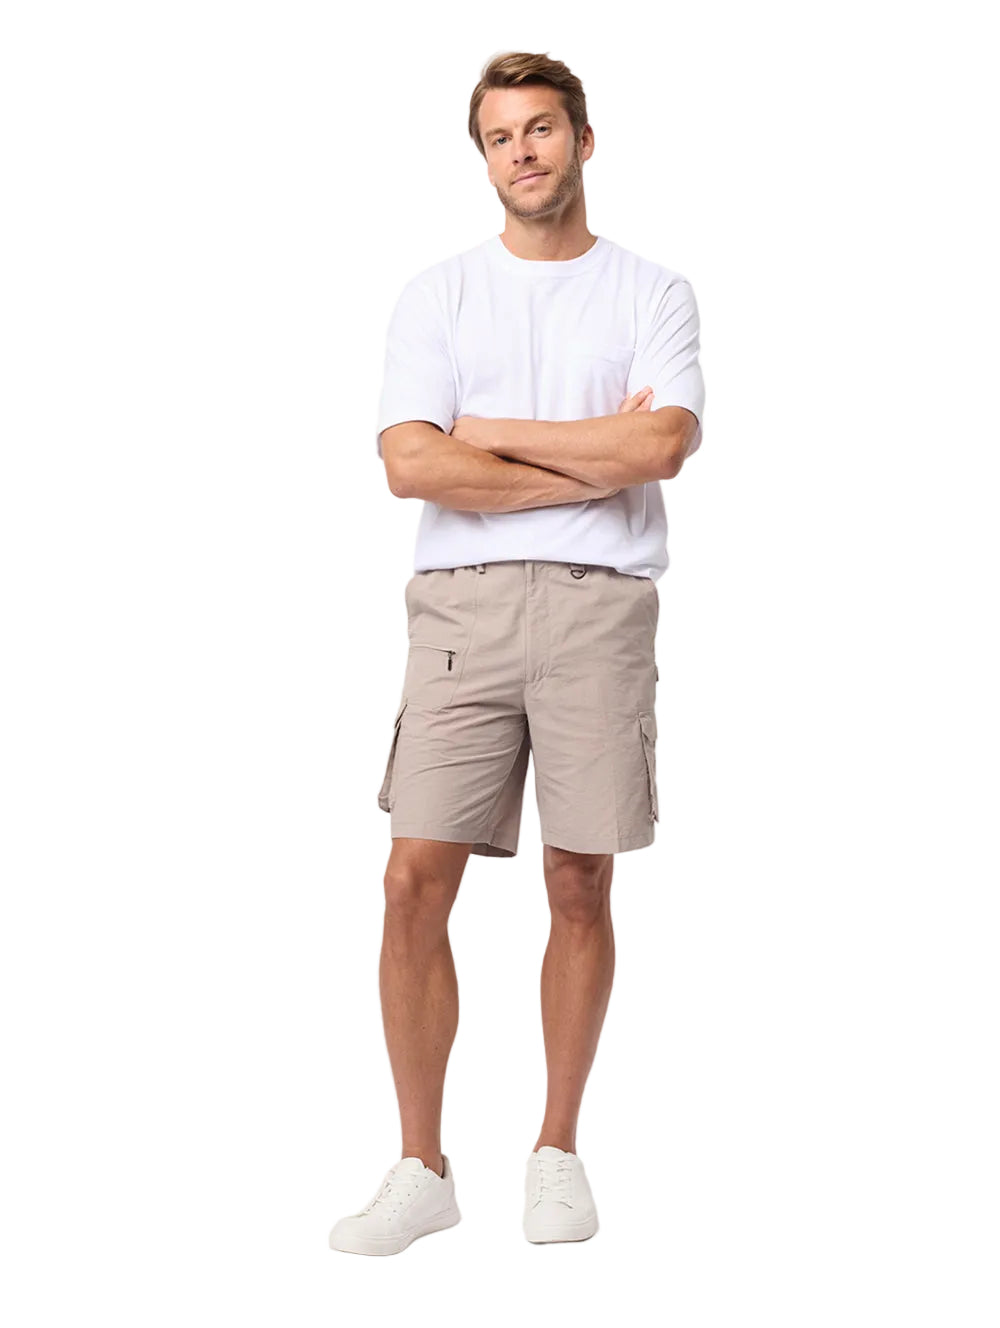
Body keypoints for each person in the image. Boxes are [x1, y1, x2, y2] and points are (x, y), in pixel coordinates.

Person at [329, 50, 705, 1257]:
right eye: (501, 136)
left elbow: (660, 448)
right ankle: (420, 1164)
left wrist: (487, 435)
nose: (524, 152)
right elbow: (407, 466)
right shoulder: (437, 295)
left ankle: (554, 1147)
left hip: (601, 608)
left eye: (543, 129)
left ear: (583, 142)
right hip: (463, 610)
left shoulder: (652, 291)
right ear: (483, 157)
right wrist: (581, 460)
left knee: (580, 879)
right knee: (409, 879)